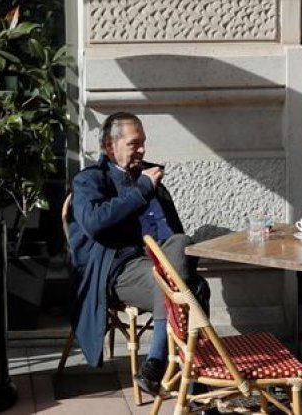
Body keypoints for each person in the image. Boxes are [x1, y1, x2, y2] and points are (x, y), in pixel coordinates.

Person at [67, 112, 209, 394]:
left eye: (143, 142)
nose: (143, 149)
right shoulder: (91, 180)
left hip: (158, 264)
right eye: (135, 143)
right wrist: (142, 189)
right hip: (118, 270)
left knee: (182, 253)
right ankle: (188, 383)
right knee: (184, 289)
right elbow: (94, 222)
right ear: (110, 146)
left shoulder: (152, 180)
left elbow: (173, 234)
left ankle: (163, 370)